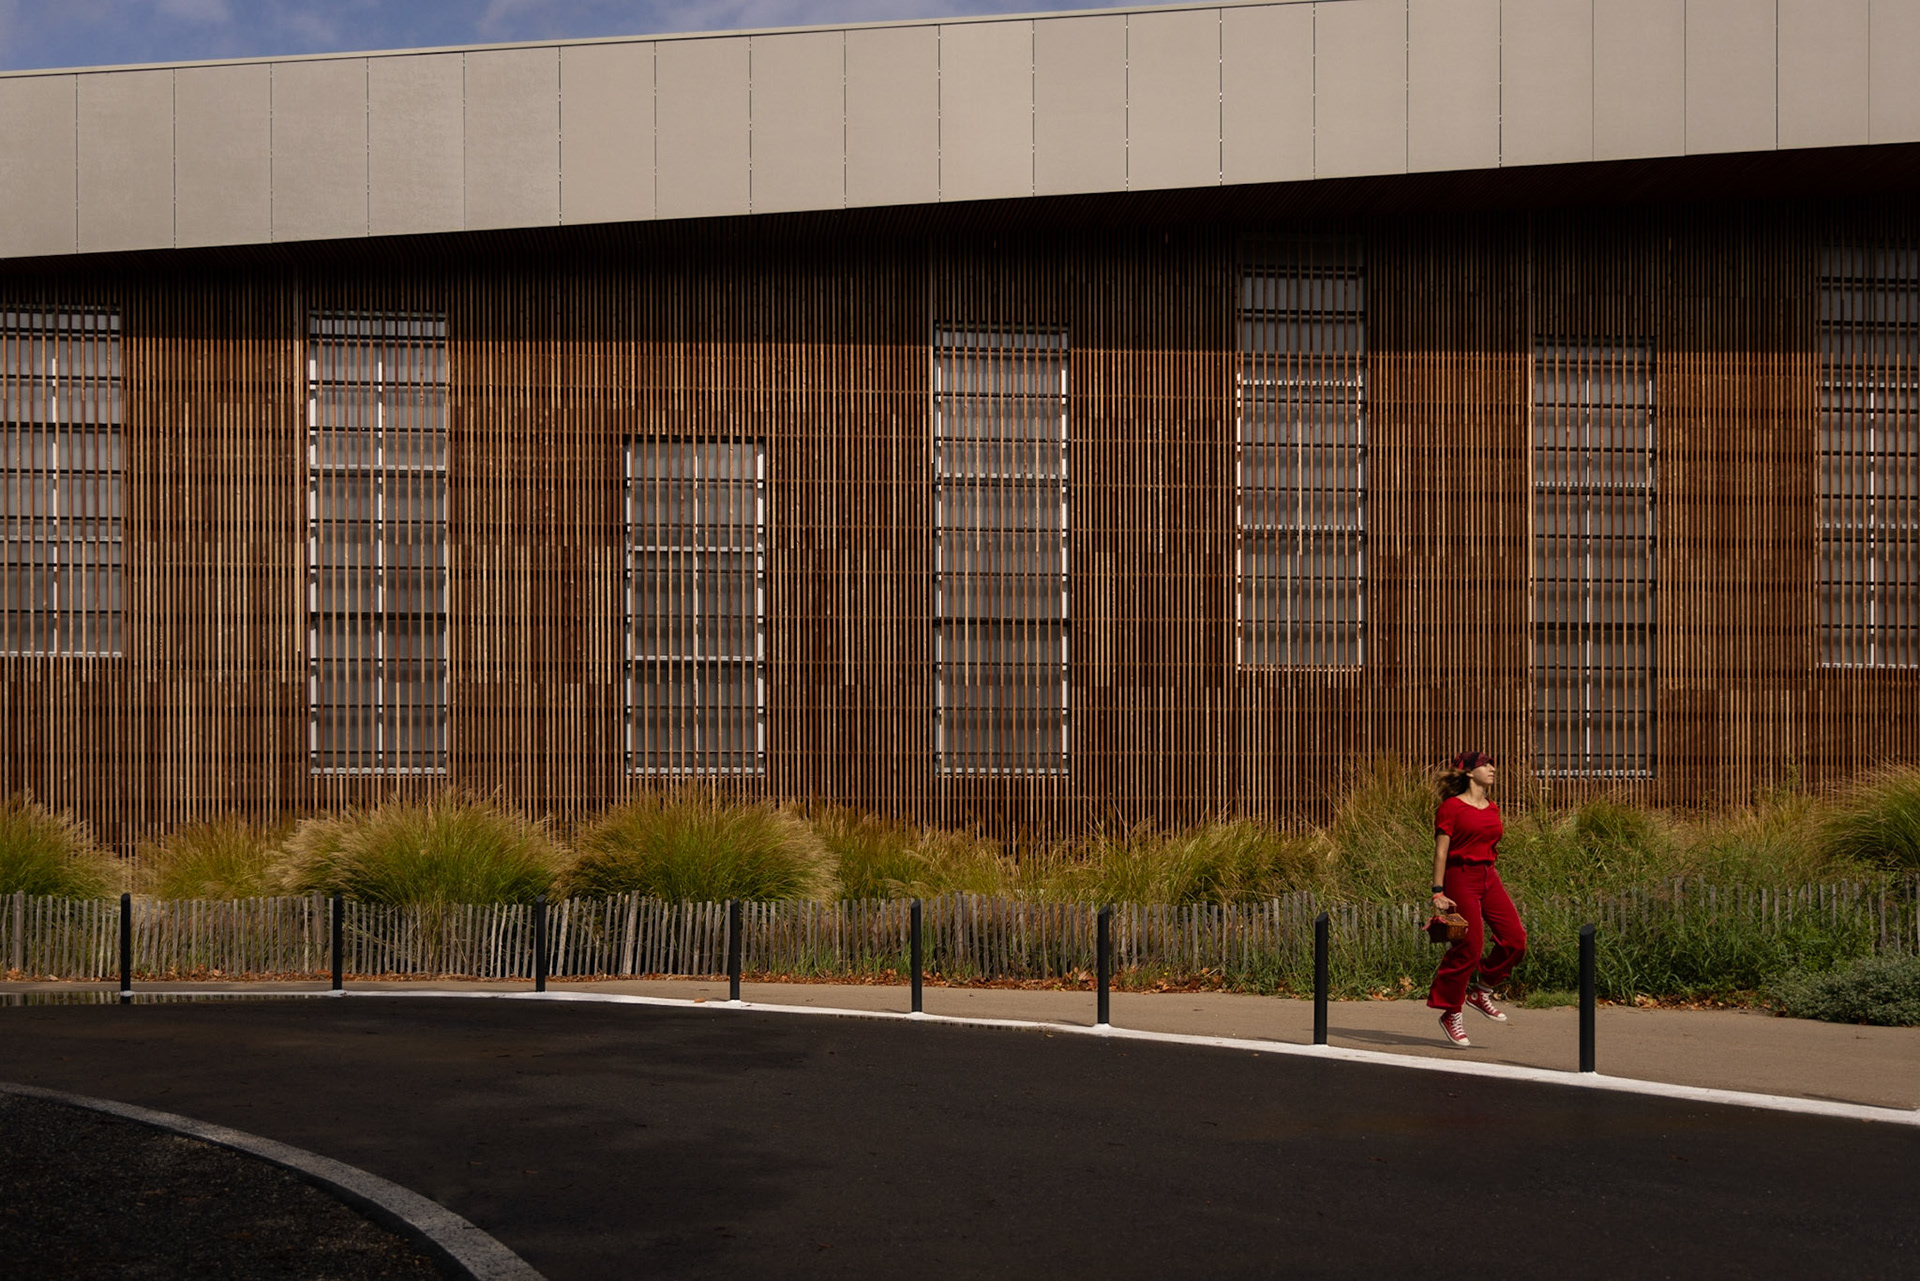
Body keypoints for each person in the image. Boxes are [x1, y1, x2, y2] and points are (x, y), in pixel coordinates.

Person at [1427, 749, 1527, 1046]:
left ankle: (1481, 990)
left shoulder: (1492, 808)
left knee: (1515, 939)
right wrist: (1438, 891)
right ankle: (1451, 1012)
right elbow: (1441, 852)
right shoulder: (1451, 808)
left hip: (1488, 876)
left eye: (1493, 765)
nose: (1493, 769)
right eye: (1486, 765)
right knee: (1469, 947)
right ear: (1470, 772)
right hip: (1460, 877)